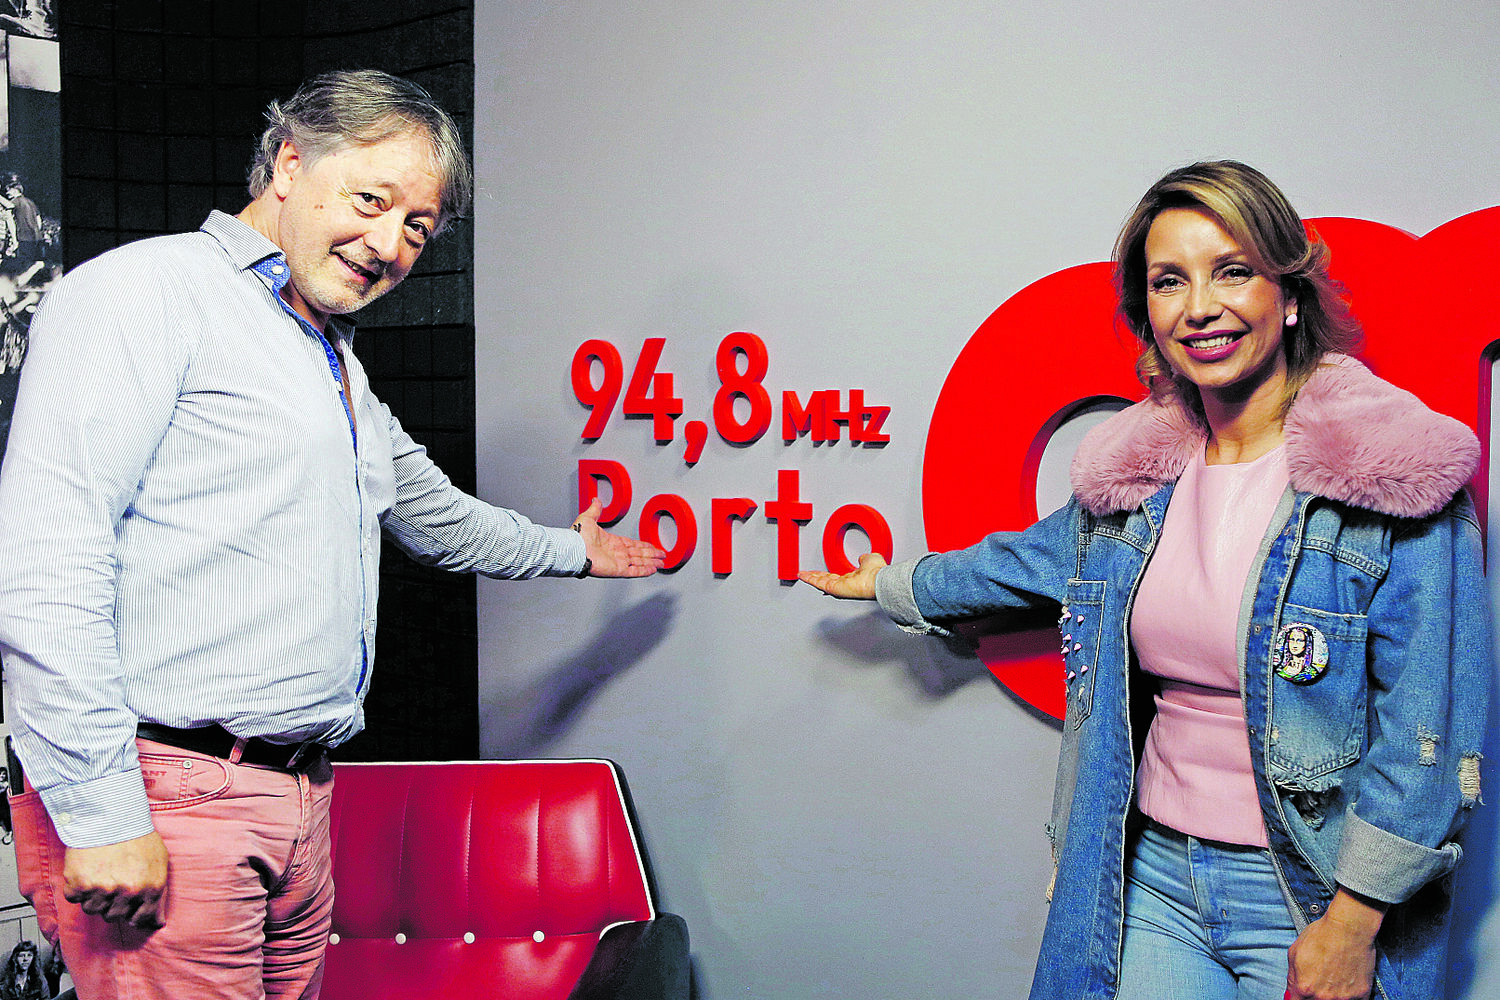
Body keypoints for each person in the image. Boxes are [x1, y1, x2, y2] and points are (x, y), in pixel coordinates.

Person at [0, 69, 665, 1000]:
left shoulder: (326, 354)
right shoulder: (145, 294)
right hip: (169, 796)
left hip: (301, 800)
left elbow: (435, 516)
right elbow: (44, 564)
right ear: (288, 163)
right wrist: (102, 812)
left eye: (418, 228)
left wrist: (576, 552)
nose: (388, 245)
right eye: (371, 201)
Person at [800, 161, 1490, 1000]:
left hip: (1307, 892)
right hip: (1153, 877)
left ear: (1289, 293)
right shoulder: (1141, 479)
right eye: (1170, 281)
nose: (1200, 306)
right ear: (1148, 314)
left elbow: (1429, 730)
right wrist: (895, 586)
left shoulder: (1387, 475)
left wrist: (1353, 922)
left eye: (1232, 271)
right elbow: (1024, 562)